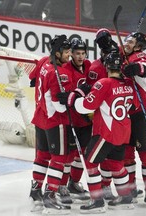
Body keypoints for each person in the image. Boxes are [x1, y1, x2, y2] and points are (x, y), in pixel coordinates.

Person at [67, 52, 138, 213]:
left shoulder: (104, 83)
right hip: (122, 133)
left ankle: (97, 200)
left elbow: (86, 106)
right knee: (116, 164)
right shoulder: (129, 84)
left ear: (106, 66)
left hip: (106, 133)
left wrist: (74, 98)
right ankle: (126, 197)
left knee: (90, 162)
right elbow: (133, 106)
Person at [29, 34, 72, 215]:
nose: (69, 56)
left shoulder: (43, 61)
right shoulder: (59, 73)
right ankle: (50, 194)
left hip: (40, 118)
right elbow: (61, 108)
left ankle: (36, 189)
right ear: (58, 52)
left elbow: (32, 78)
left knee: (42, 156)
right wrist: (73, 98)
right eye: (67, 52)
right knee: (59, 158)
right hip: (56, 121)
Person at [122, 32, 146, 203]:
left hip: (142, 112)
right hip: (125, 113)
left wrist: (137, 68)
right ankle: (130, 188)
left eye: (130, 41)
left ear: (138, 47)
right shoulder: (122, 55)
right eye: (126, 40)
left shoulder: (139, 56)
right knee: (127, 153)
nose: (126, 43)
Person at [59, 37, 91, 203]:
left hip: (86, 120)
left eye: (82, 53)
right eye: (77, 53)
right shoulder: (65, 69)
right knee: (69, 155)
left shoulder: (90, 66)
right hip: (71, 119)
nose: (80, 56)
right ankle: (62, 185)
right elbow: (65, 96)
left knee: (82, 154)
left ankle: (73, 183)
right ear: (70, 53)